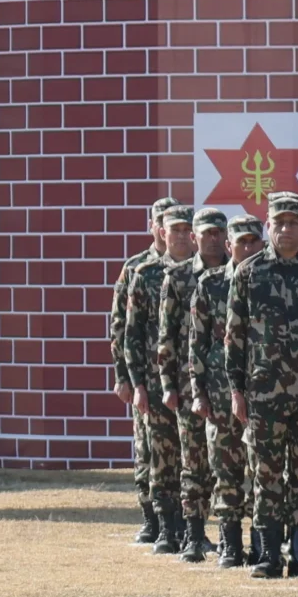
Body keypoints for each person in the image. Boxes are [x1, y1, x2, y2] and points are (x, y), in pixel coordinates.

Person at [226, 193, 298, 580]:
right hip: (264, 393)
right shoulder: (249, 272)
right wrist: (236, 390)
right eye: (279, 223)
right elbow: (235, 336)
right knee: (266, 474)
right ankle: (268, 554)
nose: (287, 229)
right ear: (269, 225)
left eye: (294, 223)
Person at [188, 216, 260, 566]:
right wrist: (197, 391)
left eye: (253, 241)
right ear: (229, 246)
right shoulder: (211, 283)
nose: (247, 248)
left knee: (265, 469)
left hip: (265, 391)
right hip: (219, 394)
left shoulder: (270, 280)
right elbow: (197, 343)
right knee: (225, 468)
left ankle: (263, 542)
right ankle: (231, 543)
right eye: (241, 242)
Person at [155, 208, 226, 562]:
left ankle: (231, 535)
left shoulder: (237, 273)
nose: (213, 239)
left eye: (218, 233)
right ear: (196, 238)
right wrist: (168, 383)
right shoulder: (180, 278)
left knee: (229, 463)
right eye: (207, 233)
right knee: (193, 460)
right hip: (189, 385)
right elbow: (166, 338)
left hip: (230, 387)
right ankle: (194, 535)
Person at [109, 198, 180, 543]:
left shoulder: (193, 265)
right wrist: (124, 376)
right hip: (147, 377)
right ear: (153, 226)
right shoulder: (137, 267)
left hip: (182, 375)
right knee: (147, 448)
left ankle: (179, 520)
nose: (167, 227)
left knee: (180, 452)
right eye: (161, 221)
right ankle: (151, 517)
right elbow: (122, 326)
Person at [124, 207, 194, 556]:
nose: (181, 235)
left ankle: (192, 526)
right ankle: (165, 527)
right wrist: (134, 381)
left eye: (186, 228)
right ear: (161, 232)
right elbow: (129, 333)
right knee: (161, 457)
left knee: (194, 458)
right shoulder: (144, 274)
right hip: (155, 383)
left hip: (197, 383)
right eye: (174, 229)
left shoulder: (208, 271)